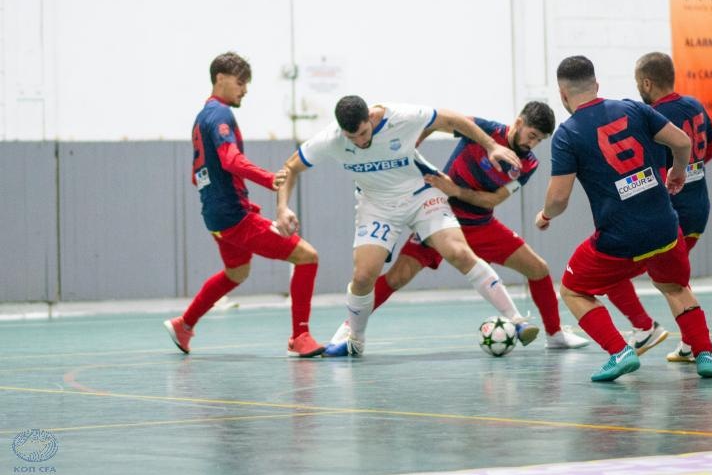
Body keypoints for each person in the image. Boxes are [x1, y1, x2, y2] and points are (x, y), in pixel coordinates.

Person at [276, 95, 540, 357]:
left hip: (422, 193)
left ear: (371, 117)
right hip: (376, 206)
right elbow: (291, 166)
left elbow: (450, 118)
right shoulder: (332, 138)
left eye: (363, 133)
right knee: (363, 276)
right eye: (352, 137)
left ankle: (516, 321)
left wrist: (491, 145)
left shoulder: (401, 117)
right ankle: (355, 339)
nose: (360, 142)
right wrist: (282, 207)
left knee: (459, 253)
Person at [327, 102, 589, 350]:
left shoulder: (528, 163)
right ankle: (350, 326)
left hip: (481, 225)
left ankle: (554, 335)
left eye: (539, 140)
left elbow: (495, 198)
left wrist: (455, 190)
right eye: (531, 135)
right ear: (518, 122)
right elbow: (433, 122)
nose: (532, 143)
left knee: (538, 269)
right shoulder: (483, 130)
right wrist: (412, 147)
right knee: (397, 277)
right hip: (439, 219)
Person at [535, 55, 712, 381]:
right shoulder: (633, 108)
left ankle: (620, 351)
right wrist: (678, 171)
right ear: (596, 85)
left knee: (573, 289)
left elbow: (559, 198)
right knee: (676, 287)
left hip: (619, 239)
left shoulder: (567, 134)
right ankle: (705, 355)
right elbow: (682, 141)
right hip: (666, 227)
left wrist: (545, 214)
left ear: (563, 95)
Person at [163, 52, 326, 358]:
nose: (245, 90)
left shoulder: (202, 118)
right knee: (307, 257)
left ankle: (184, 325)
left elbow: (196, 175)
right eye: (240, 82)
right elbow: (230, 159)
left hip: (215, 218)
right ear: (220, 79)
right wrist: (269, 179)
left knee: (237, 273)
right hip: (233, 217)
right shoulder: (220, 115)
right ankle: (300, 336)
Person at [604, 52, 712, 362]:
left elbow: (647, 169)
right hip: (699, 207)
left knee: (609, 271)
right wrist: (687, 170)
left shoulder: (652, 117)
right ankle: (690, 344)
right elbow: (711, 148)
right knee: (674, 279)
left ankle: (645, 329)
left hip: (667, 216)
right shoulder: (694, 105)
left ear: (646, 82)